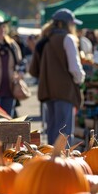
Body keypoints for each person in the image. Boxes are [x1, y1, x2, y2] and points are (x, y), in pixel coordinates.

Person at [29, 8, 85, 145]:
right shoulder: (68, 39)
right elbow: (75, 68)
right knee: (64, 131)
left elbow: (33, 70)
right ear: (66, 24)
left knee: (52, 129)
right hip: (65, 91)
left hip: (47, 90)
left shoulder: (44, 41)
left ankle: (51, 161)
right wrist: (81, 79)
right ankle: (63, 163)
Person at [0, 10, 23, 118]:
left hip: (10, 91)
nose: (2, 30)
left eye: (3, 27)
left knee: (8, 122)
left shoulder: (11, 45)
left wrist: (20, 72)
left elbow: (21, 62)